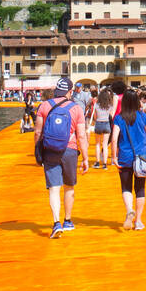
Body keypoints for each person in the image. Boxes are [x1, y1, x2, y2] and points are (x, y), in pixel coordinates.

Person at [35, 76, 89, 238]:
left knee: (54, 188)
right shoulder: (76, 108)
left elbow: (38, 132)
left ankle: (56, 222)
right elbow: (81, 135)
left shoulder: (44, 106)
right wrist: (85, 158)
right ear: (70, 91)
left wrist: (38, 152)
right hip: (70, 150)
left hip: (50, 150)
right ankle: (67, 220)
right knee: (69, 187)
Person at [111, 88, 146, 231]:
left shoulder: (119, 118)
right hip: (142, 156)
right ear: (137, 101)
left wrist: (113, 156)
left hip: (125, 157)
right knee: (140, 189)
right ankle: (138, 221)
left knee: (126, 187)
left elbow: (114, 138)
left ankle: (129, 210)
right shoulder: (143, 117)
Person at [92, 88, 114, 169]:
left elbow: (94, 116)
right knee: (105, 145)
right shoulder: (110, 106)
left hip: (98, 123)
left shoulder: (96, 105)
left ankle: (97, 163)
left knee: (97, 144)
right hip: (106, 123)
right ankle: (104, 164)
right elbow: (111, 115)